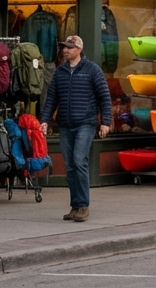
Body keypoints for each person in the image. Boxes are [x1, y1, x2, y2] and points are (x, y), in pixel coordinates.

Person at [39, 35, 111, 222]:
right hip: (65, 124)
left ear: (79, 49)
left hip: (85, 124)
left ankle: (83, 206)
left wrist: (106, 122)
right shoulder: (60, 72)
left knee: (79, 161)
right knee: (70, 166)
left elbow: (104, 97)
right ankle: (75, 205)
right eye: (64, 47)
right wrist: (45, 120)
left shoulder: (92, 70)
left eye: (69, 47)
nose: (65, 50)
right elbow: (51, 99)